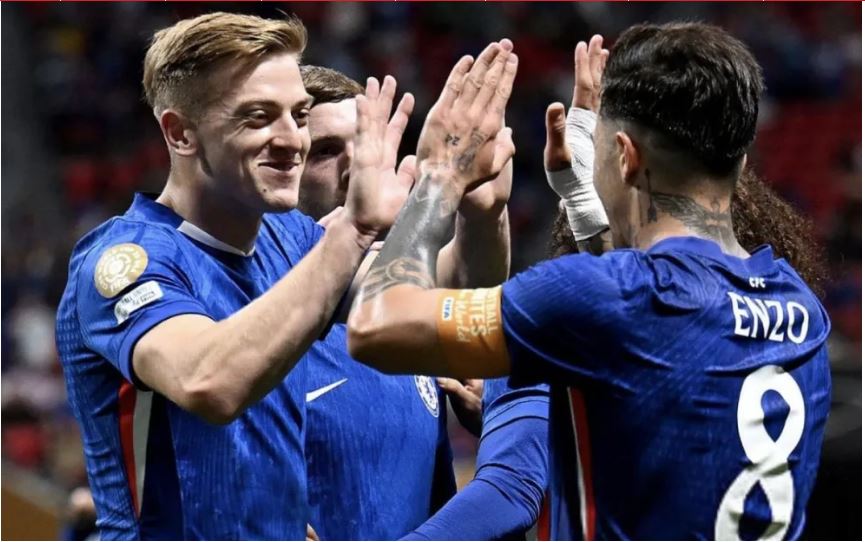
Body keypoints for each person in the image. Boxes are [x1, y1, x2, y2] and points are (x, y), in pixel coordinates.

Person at [347, 22, 831, 541]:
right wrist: (587, 210)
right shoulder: (803, 310)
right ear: (739, 159)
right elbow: (651, 344)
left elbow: (377, 327)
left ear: (626, 156)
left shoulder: (611, 297)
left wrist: (439, 177)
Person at [55, 12, 414, 539]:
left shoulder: (289, 238)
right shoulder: (126, 259)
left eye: (299, 115)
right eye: (258, 117)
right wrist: (354, 231)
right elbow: (210, 383)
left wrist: (463, 197)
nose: (292, 140)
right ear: (180, 133)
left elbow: (410, 295)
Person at [298, 63, 511, 540]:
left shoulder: (401, 296)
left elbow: (465, 284)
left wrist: (483, 212)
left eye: (369, 146)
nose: (356, 167)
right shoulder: (259, 298)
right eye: (325, 151)